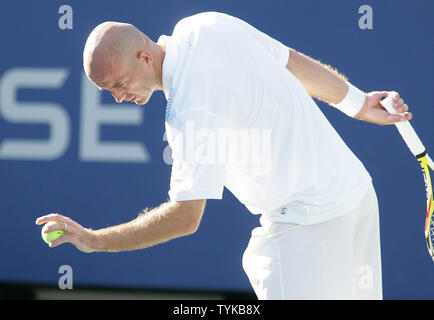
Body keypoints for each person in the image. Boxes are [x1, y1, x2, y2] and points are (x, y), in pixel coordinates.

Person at [35, 11, 412, 299]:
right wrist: (358, 103)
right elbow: (289, 61)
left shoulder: (191, 110)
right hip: (355, 192)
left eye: (119, 84)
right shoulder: (206, 24)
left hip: (306, 226)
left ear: (144, 57)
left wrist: (94, 240)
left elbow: (185, 218)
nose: (119, 98)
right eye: (110, 92)